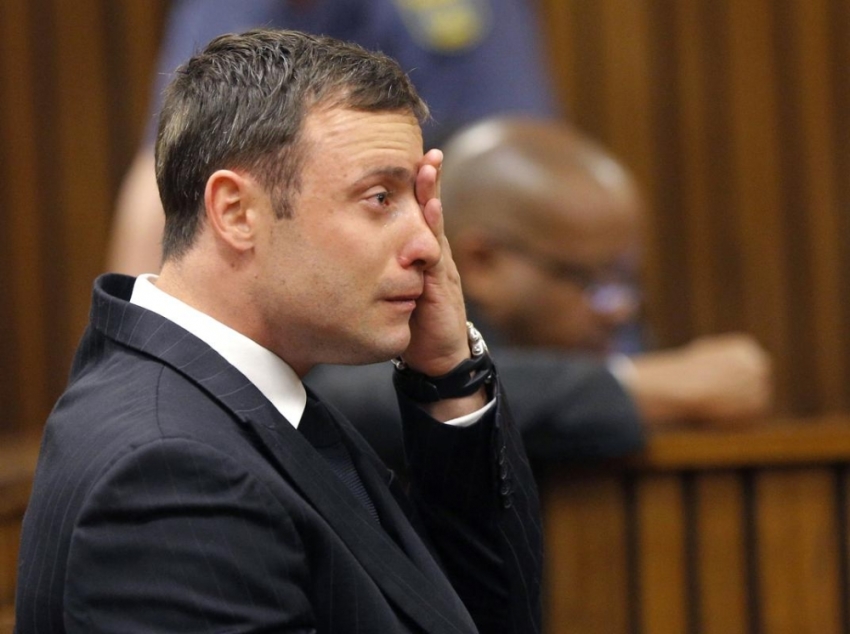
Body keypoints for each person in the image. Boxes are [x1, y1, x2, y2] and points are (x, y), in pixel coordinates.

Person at [15, 30, 542, 633]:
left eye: (418, 201)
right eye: (379, 197)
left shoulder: (243, 396)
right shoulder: (172, 474)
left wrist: (450, 373)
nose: (427, 245)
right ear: (237, 212)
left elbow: (480, 617)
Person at [305, 117, 772, 471]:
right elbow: (355, 399)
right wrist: (637, 387)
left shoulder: (581, 339)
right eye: (590, 280)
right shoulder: (391, 325)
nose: (619, 309)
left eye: (625, 281)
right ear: (483, 261)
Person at [108, 0, 557, 275]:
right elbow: (179, 163)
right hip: (324, 299)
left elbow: (529, 159)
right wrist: (134, 354)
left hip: (473, 272)